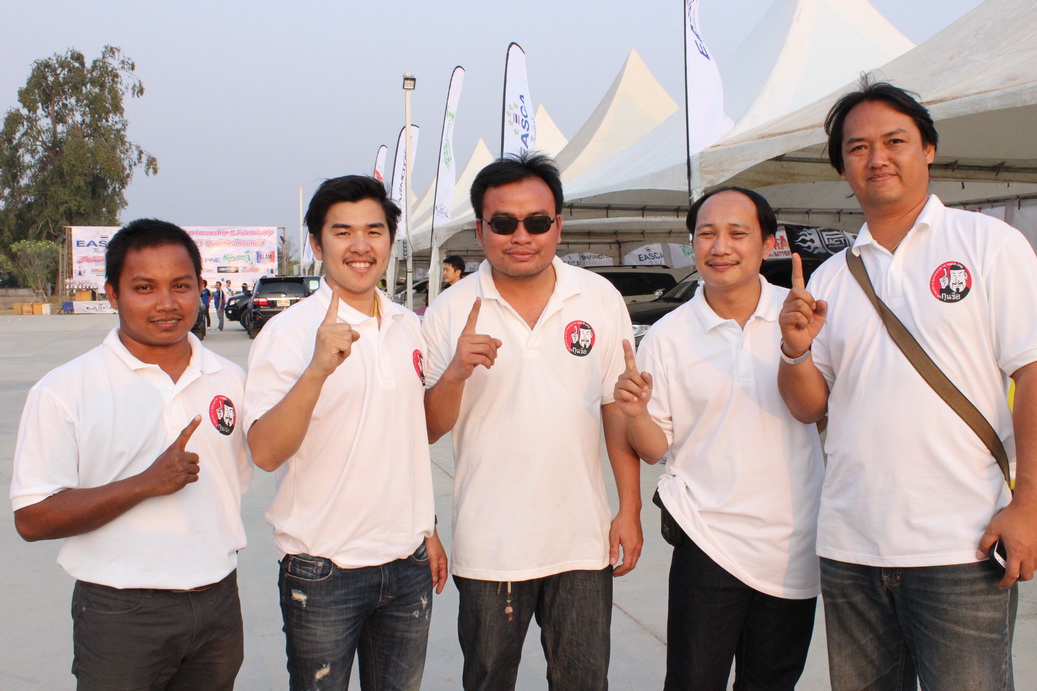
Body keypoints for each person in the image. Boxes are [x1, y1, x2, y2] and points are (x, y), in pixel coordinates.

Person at [778, 78, 1037, 690]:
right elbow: (810, 406)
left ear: (928, 149)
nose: (877, 157)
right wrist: (795, 351)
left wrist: (1027, 503)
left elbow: (1030, 372)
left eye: (894, 140)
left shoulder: (989, 245)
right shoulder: (834, 277)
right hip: (851, 548)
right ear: (843, 166)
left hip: (963, 546)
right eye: (858, 147)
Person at [422, 152, 643, 691]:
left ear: (557, 226)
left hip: (581, 540)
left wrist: (630, 508)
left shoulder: (598, 298)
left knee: (584, 681)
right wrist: (454, 374)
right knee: (488, 680)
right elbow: (427, 429)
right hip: (489, 546)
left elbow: (615, 409)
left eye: (537, 222)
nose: (521, 236)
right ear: (480, 229)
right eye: (503, 223)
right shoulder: (449, 311)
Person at [10, 219, 251, 689]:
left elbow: (233, 484)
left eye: (180, 285)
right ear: (112, 294)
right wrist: (145, 484)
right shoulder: (65, 389)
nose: (167, 303)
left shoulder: (229, 378)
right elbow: (32, 519)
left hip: (218, 602)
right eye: (144, 288)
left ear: (200, 288)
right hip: (121, 611)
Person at [616, 187, 823, 690]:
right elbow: (655, 448)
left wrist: (796, 347)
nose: (720, 246)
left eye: (737, 233)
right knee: (692, 681)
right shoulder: (669, 335)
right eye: (706, 234)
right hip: (706, 537)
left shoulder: (802, 316)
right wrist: (636, 414)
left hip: (793, 541)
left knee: (771, 682)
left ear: (768, 243)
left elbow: (817, 411)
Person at [244, 175, 446, 689]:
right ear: (316, 244)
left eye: (374, 231)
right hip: (323, 569)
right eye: (342, 232)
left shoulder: (407, 325)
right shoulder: (287, 334)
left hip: (407, 563)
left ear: (390, 241)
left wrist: (426, 529)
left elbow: (405, 438)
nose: (360, 246)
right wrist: (316, 369)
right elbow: (265, 452)